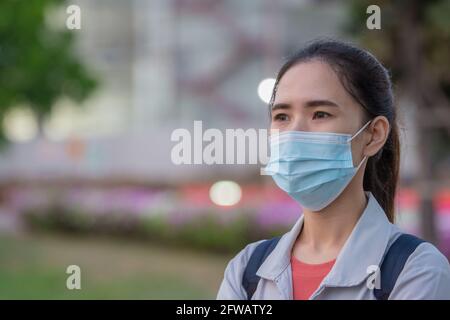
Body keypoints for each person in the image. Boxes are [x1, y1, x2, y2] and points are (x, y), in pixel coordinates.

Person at [216, 39, 450, 300]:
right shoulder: (247, 270)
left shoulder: (416, 271)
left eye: (320, 114)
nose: (294, 133)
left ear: (374, 135)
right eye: (282, 117)